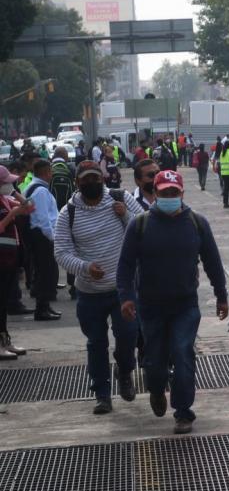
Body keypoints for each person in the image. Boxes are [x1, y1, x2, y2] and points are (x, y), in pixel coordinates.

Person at [117, 170, 229, 434]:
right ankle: (156, 389)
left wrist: (222, 295)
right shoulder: (140, 224)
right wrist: (126, 298)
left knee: (182, 353)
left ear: (182, 194)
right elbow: (125, 265)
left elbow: (213, 262)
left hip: (185, 305)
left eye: (173, 193)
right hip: (151, 306)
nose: (169, 197)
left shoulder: (196, 223)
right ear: (154, 194)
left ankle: (183, 411)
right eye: (164, 193)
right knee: (154, 361)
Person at [53, 161, 141, 414]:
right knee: (96, 343)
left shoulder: (120, 198)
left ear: (103, 179)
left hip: (122, 290)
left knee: (127, 336)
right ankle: (102, 393)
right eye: (86, 179)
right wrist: (84, 266)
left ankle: (125, 371)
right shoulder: (67, 213)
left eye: (95, 177)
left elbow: (144, 229)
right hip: (89, 293)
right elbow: (61, 252)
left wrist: (125, 214)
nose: (91, 182)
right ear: (77, 183)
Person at [0, 165, 34, 359]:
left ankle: (5, 340)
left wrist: (14, 193)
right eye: (6, 182)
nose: (10, 184)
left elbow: (29, 207)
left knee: (3, 303)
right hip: (2, 259)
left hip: (10, 259)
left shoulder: (5, 199)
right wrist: (12, 215)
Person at [22, 160, 60, 321]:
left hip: (39, 235)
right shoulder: (41, 192)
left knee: (43, 272)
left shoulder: (32, 187)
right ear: (46, 172)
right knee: (45, 272)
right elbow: (43, 218)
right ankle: (42, 309)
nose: (51, 175)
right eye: (50, 172)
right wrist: (52, 238)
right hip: (42, 237)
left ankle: (45, 306)